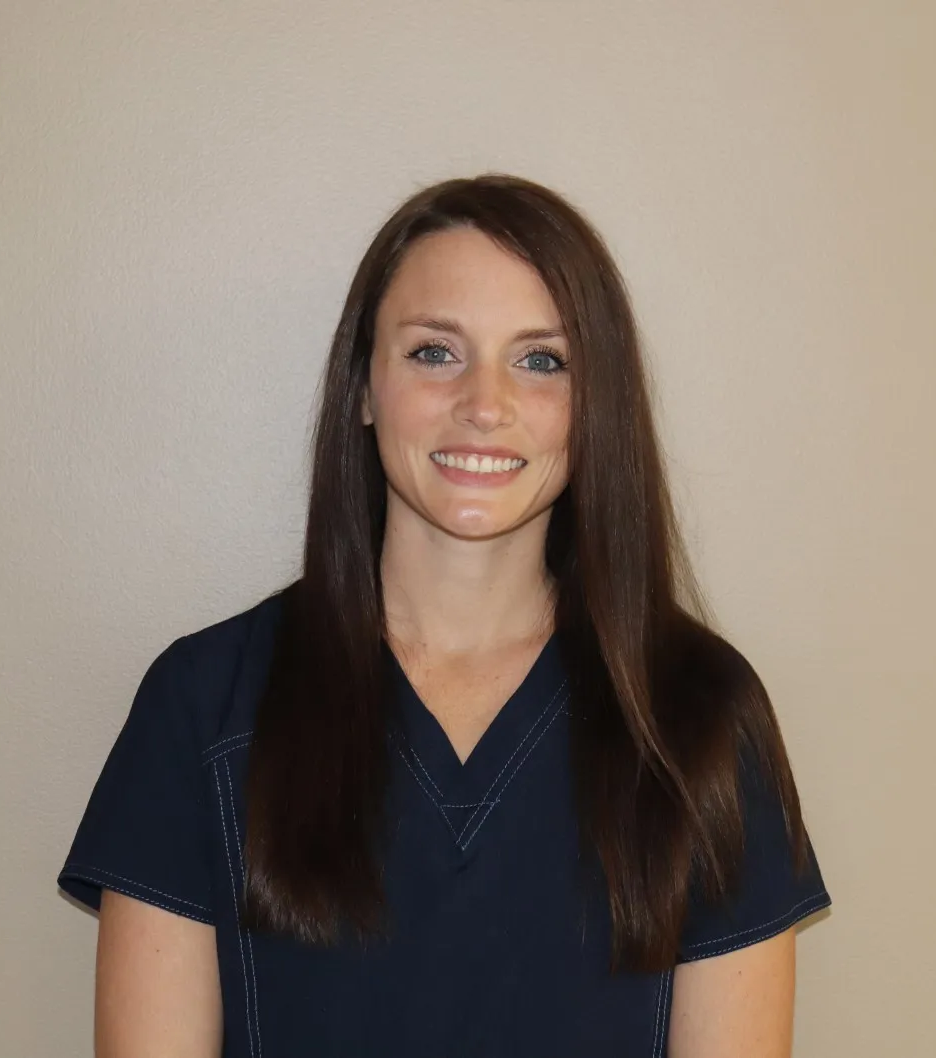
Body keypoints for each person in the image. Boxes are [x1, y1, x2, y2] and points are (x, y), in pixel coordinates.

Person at [57, 173, 831, 1057]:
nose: (485, 405)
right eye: (434, 351)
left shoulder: (700, 714)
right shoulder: (204, 707)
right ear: (363, 386)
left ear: (596, 406)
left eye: (542, 360)